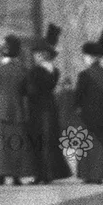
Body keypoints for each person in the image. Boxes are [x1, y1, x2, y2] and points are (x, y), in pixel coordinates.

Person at [0, 33, 38, 185]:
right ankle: (16, 176)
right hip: (18, 111)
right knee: (17, 144)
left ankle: (0, 175)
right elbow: (30, 91)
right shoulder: (23, 70)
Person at [72, 27, 103, 183]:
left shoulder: (83, 76)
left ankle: (90, 174)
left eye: (85, 56)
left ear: (91, 57)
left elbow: (78, 97)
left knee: (89, 144)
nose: (84, 59)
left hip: (88, 116)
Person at [28, 23, 71, 183]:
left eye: (37, 54)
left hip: (38, 109)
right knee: (50, 140)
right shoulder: (54, 71)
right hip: (50, 107)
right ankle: (49, 173)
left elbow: (31, 91)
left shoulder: (36, 71)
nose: (35, 57)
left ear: (43, 55)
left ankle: (42, 174)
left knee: (39, 141)